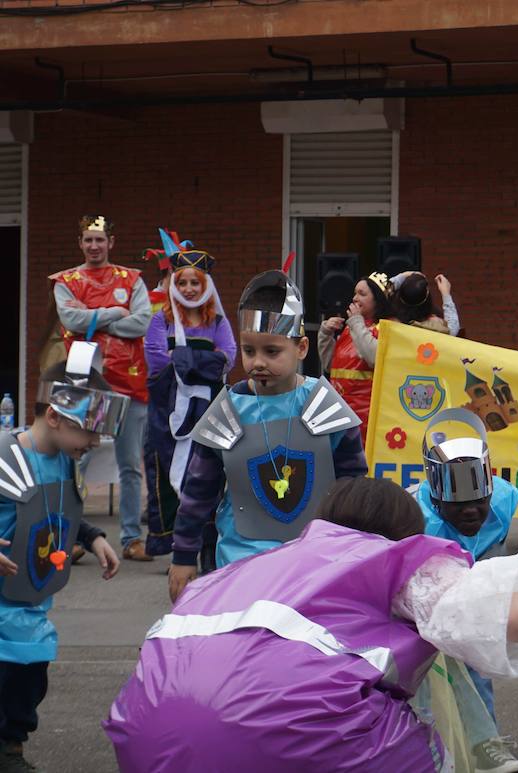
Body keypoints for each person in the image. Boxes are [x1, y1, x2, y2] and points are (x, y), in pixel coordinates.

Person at [104, 476, 518, 772]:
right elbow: (502, 612)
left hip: (145, 729)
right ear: (407, 536)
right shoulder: (387, 559)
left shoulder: (250, 567)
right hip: (295, 725)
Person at [167, 270, 367, 601]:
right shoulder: (228, 410)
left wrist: (356, 547)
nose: (257, 362)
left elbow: (353, 484)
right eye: (248, 351)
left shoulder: (323, 404)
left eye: (272, 352)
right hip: (242, 560)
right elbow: (199, 492)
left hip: (314, 560)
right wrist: (184, 555)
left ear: (301, 347)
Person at [0, 351, 124, 772]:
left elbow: (61, 511)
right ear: (54, 417)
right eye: (87, 431)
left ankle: (11, 744)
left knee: (30, 678)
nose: (93, 443)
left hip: (30, 601)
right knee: (8, 678)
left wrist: (92, 538)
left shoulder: (63, 463)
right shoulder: (6, 457)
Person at [410, 407, 518, 773]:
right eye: (459, 505)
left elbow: (493, 542)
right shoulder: (415, 520)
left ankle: (484, 744)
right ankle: (424, 746)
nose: (473, 512)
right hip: (422, 592)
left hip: (473, 580)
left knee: (477, 660)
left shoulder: (503, 502)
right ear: (437, 498)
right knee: (426, 671)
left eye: (479, 501)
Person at [50, 215, 154, 562]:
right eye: (87, 240)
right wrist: (114, 311)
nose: (94, 246)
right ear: (80, 243)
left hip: (130, 381)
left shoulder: (132, 279)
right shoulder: (66, 281)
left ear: (111, 242)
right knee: (77, 462)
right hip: (87, 382)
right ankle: (73, 536)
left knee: (129, 465)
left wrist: (92, 316)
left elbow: (141, 321)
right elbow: (69, 320)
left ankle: (131, 538)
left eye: (99, 240)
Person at [142, 231, 236, 568]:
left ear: (206, 286)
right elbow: (156, 363)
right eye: (182, 283)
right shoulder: (160, 321)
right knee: (172, 476)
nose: (189, 290)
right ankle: (182, 547)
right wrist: (202, 361)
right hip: (168, 413)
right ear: (173, 285)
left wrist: (181, 357)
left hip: (207, 414)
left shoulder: (218, 322)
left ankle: (207, 546)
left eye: (195, 283)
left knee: (208, 477)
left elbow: (228, 358)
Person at [319, 272, 395, 440]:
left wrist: (356, 322)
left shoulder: (386, 328)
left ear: (377, 299)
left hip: (366, 419)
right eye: (355, 293)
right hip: (340, 414)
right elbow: (330, 366)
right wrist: (325, 334)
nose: (354, 298)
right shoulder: (350, 328)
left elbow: (374, 358)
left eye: (362, 294)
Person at [393, 271, 461, 336]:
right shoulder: (434, 327)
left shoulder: (390, 322)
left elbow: (382, 293)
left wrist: (402, 276)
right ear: (427, 300)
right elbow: (452, 330)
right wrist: (446, 294)